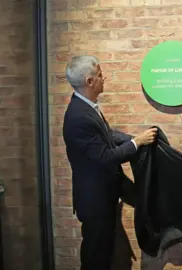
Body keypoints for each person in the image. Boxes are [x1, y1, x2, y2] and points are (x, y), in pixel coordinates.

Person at [62, 55, 157, 270]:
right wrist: (136, 143)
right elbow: (105, 157)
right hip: (95, 202)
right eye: (100, 75)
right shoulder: (78, 117)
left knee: (103, 253)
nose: (104, 78)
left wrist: (135, 139)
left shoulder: (86, 107)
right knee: (96, 257)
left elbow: (106, 134)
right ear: (89, 81)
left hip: (103, 197)